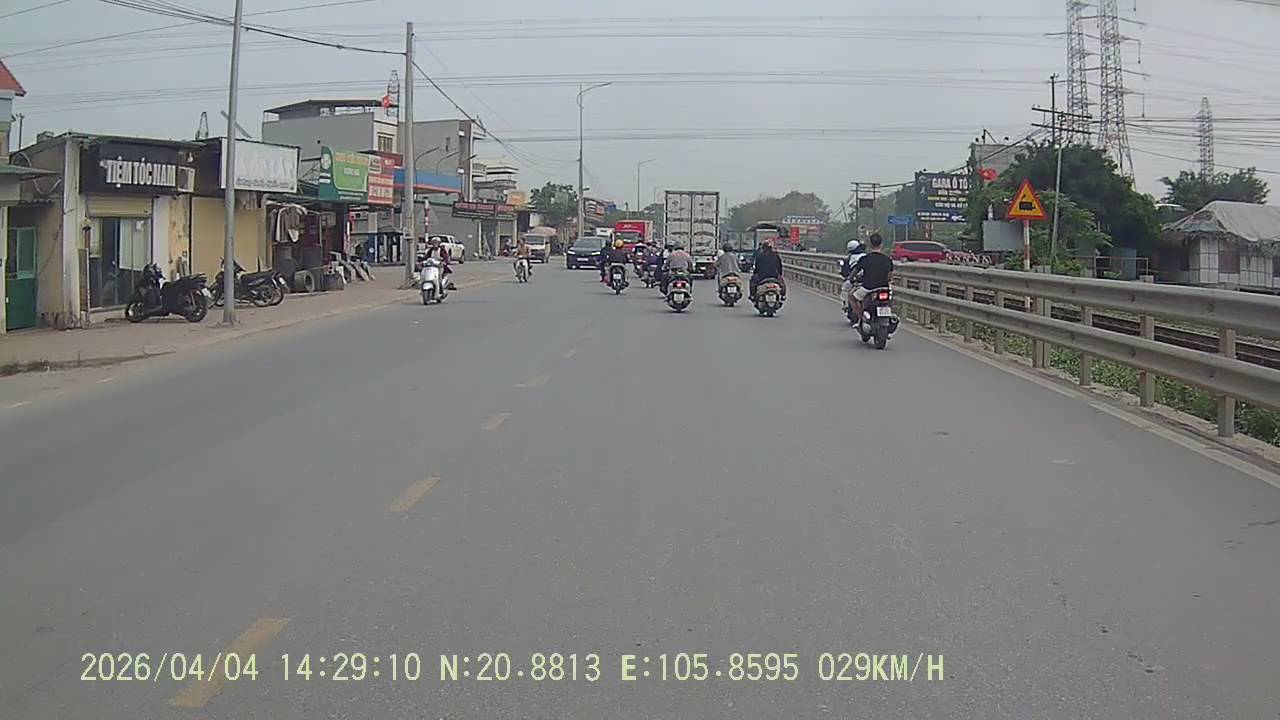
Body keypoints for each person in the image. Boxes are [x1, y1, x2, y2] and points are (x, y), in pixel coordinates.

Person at [849, 233, 894, 317]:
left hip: (868, 288)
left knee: (852, 297)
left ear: (870, 244)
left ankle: (860, 317)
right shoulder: (887, 259)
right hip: (884, 287)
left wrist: (850, 278)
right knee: (890, 299)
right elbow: (889, 276)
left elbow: (855, 271)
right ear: (881, 245)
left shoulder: (865, 259)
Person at [839, 239, 867, 312]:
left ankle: (846, 305)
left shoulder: (850, 258)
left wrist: (849, 278)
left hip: (857, 279)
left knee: (845, 289)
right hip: (867, 279)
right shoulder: (866, 256)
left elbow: (846, 271)